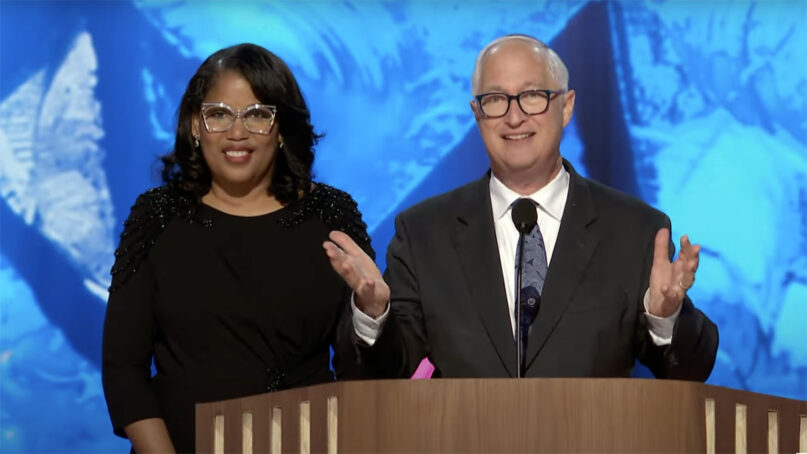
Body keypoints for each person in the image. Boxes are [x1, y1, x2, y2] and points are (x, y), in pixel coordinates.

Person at [324, 34, 718, 381]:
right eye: (495, 99)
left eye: (532, 96)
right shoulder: (424, 231)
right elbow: (384, 372)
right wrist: (372, 315)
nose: (514, 117)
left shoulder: (634, 228)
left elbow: (690, 370)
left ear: (566, 107)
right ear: (477, 114)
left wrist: (664, 316)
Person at [102, 43, 372, 453]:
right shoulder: (156, 216)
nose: (237, 133)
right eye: (219, 114)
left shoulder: (332, 214)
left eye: (258, 115)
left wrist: (372, 313)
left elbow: (363, 373)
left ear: (281, 130)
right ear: (195, 124)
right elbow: (123, 370)